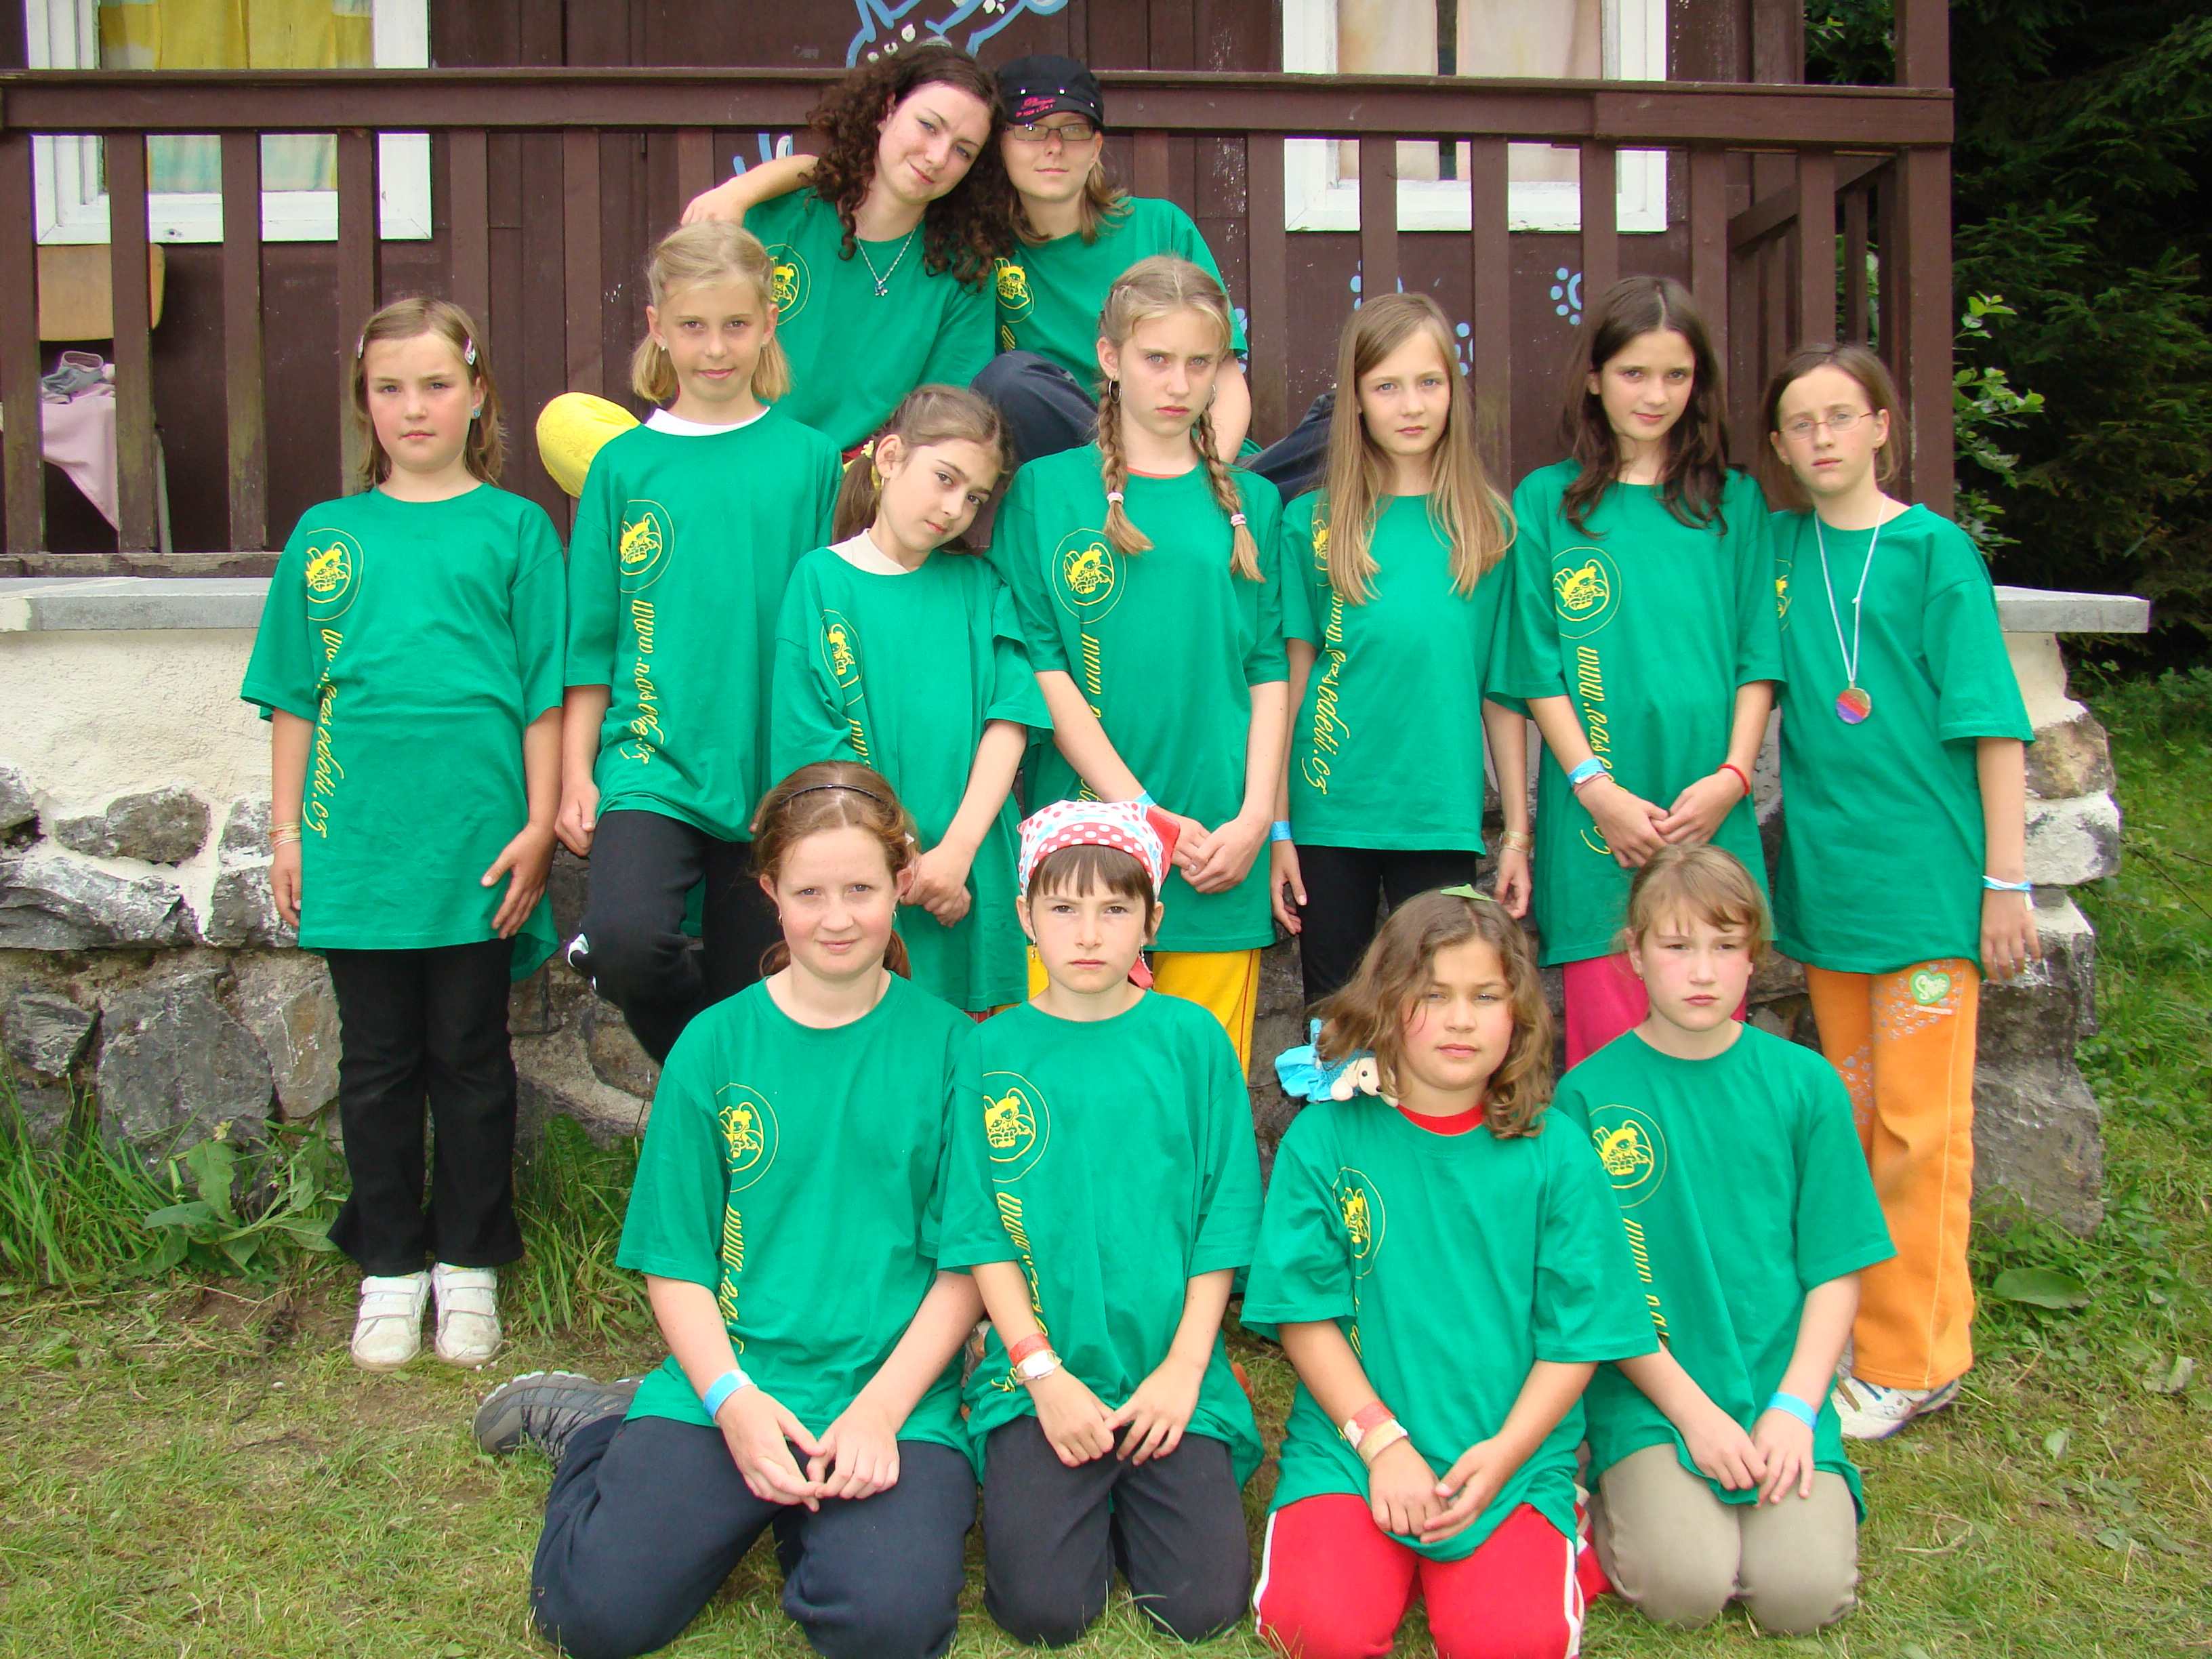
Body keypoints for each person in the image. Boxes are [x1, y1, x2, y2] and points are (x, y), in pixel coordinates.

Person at [476, 762, 982, 1659]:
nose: (837, 917)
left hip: (890, 1391)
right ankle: (605, 1431)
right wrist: (731, 1400)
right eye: (810, 893)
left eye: (861, 890)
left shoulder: (952, 1048)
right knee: (595, 1619)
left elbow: (966, 1265)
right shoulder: (714, 1044)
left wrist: (879, 1411)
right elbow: (675, 1260)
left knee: (888, 1631)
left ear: (902, 884)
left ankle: (806, 1520)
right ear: (769, 894)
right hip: (734, 1379)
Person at [241, 297, 563, 1372]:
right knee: (377, 1060)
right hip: (359, 839)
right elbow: (295, 695)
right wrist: (287, 832)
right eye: (389, 388)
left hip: (476, 837)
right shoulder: (327, 535)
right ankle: (387, 1263)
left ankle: (469, 1261)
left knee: (469, 1054)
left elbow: (544, 693)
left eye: (435, 385)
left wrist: (538, 825)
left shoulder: (516, 529)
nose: (413, 407)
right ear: (365, 404)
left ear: (476, 395)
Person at [1247, 887, 1655, 1659]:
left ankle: (1554, 1529)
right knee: (1318, 1630)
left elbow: (1580, 1335)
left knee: (1510, 1645)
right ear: (1385, 1001)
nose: (1462, 1019)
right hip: (1356, 1444)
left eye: (1486, 996)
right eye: (1433, 996)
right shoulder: (1324, 1141)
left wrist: (1505, 1457)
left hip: (1508, 1451)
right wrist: (1382, 1445)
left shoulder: (1558, 1152)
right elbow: (1304, 1314)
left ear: (1519, 1013)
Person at [1762, 343, 2038, 1439]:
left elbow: (1994, 726)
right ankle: (1865, 1333)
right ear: (1779, 447)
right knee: (1856, 1119)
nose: (1822, 436)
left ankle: (1915, 1358)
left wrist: (2004, 882)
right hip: (1832, 895)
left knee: (1923, 1131)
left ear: (1882, 424)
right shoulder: (1779, 549)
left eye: (1841, 415)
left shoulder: (1934, 554)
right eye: (1800, 422)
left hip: (1925, 893)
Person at [937, 799, 1263, 1646]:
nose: (1088, 934)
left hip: (1166, 1367)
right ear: (1025, 917)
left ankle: (1150, 1478)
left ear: (1153, 920)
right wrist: (1040, 1372)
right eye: (1063, 909)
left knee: (1201, 1607)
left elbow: (1224, 1217)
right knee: (1045, 1612)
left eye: (1115, 910)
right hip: (1041, 1372)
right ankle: (1059, 1481)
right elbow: (977, 1228)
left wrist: (1185, 1369)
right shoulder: (988, 1051)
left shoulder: (1193, 1042)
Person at [1554, 844, 1895, 1637]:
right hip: (1653, 1392)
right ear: (1635, 954)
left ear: (1754, 957)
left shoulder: (1806, 1085)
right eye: (1677, 947)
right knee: (1684, 1590)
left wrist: (1796, 1407)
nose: (1702, 971)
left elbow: (1837, 1267)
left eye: (1725, 945)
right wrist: (1694, 1416)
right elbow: (1597, 1291)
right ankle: (1603, 1486)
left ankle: (1773, 1497)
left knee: (1800, 1599)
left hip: (1777, 1383)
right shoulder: (1587, 1097)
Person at [991, 254, 1287, 1070]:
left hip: (1217, 851)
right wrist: (1142, 815)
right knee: (1069, 1091)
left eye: (1200, 362)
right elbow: (1044, 669)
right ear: (1111, 358)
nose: (1178, 383)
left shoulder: (1254, 505)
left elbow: (1268, 670)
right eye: (1157, 359)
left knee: (1197, 1093)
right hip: (1088, 848)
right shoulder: (1044, 493)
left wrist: (1255, 820)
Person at [558, 222, 843, 1063]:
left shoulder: (810, 461)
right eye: (692, 326)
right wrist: (577, 773)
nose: (715, 348)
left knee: (756, 989)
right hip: (653, 758)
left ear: (767, 325)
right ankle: (704, 1070)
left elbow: (829, 623)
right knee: (625, 944)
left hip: (772, 770)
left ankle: (724, 1120)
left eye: (735, 325)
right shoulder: (623, 467)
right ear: (657, 327)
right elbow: (591, 642)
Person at [685, 53, 1254, 468]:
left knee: (1309, 455)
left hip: (1197, 453)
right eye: (1030, 129)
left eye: (1074, 130)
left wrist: (1201, 479)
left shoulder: (1154, 227)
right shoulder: (980, 246)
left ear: (1097, 146)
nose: (1053, 147)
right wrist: (744, 189)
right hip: (1069, 458)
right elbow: (843, 180)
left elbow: (1226, 381)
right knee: (1010, 383)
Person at [1498, 275, 1782, 1066]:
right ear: (1594, 377)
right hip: (1598, 824)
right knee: (1611, 1068)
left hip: (1711, 808)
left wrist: (1734, 778)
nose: (1655, 396)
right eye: (1633, 373)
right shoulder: (1548, 501)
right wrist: (1596, 790)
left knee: (1708, 1046)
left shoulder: (1736, 504)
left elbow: (1758, 657)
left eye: (1676, 375)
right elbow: (1536, 666)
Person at [537, 41, 1003, 492]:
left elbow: (937, 425)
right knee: (565, 423)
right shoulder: (776, 212)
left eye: (963, 150)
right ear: (886, 111)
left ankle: (705, 503)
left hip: (834, 485)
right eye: (928, 126)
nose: (938, 157)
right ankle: (712, 497)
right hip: (718, 443)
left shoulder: (965, 274)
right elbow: (691, 343)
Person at [1271, 292, 1532, 1008]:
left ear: (1454, 390)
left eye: (1429, 382)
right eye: (1387, 386)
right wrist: (1279, 826)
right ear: (1354, 399)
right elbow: (1292, 682)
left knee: (1436, 1009)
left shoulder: (1489, 527)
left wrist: (1515, 833)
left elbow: (1503, 692)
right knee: (1333, 1022)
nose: (1411, 405)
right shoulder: (1311, 523)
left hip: (1437, 812)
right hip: (1329, 813)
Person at [770, 385, 1043, 1015]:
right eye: (945, 479)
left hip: (972, 876)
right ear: (890, 457)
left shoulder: (982, 586)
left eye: (975, 497)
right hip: (863, 883)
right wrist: (907, 864)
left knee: (981, 1059)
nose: (955, 509)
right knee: (881, 1049)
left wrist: (956, 856)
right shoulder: (820, 580)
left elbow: (1010, 723)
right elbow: (816, 748)